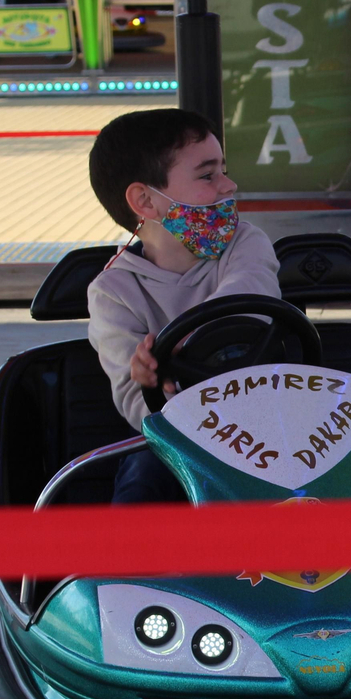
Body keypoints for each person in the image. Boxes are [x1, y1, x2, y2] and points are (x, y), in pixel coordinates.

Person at [86, 109, 282, 504]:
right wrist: (147, 376)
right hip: (179, 438)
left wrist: (185, 345)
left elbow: (249, 297)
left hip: (271, 416)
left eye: (223, 170)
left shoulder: (245, 244)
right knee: (144, 475)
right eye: (208, 175)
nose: (229, 185)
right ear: (145, 200)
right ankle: (133, 563)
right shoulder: (114, 291)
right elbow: (134, 403)